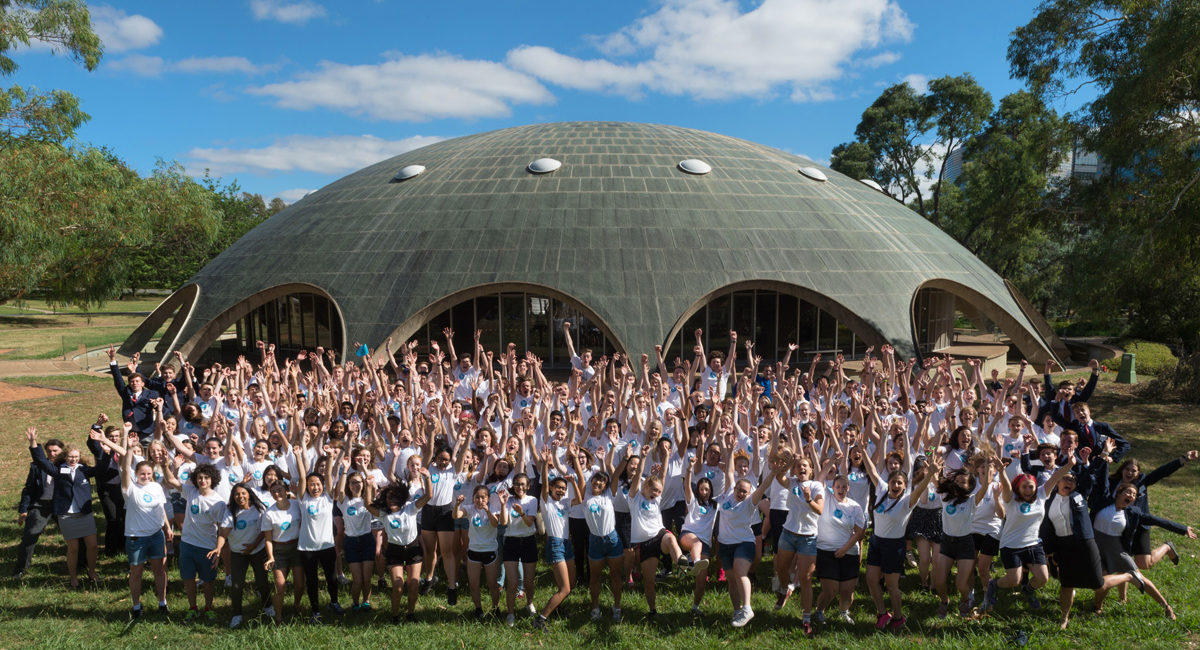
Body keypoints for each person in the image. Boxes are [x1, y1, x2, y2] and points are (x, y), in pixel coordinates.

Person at [981, 454, 1076, 613]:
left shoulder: (1041, 494)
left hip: (1033, 544)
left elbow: (1055, 476)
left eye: (1031, 486)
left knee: (1042, 578)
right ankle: (993, 585)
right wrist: (1002, 472)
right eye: (1024, 486)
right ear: (1017, 487)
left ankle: (1028, 590)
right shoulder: (1011, 499)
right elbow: (1006, 485)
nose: (1028, 490)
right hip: (1011, 545)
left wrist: (1069, 465)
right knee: (1014, 580)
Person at [860, 449, 941, 631]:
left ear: (905, 486)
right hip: (876, 542)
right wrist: (863, 449)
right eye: (893, 482)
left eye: (899, 483)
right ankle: (882, 613)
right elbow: (872, 471)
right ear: (888, 483)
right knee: (871, 580)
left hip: (894, 546)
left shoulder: (907, 501)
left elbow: (919, 489)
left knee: (891, 585)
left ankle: (898, 617)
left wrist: (930, 475)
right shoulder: (881, 490)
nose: (895, 485)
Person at [26, 425, 109, 589]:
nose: (73, 460)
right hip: (67, 515)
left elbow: (101, 469)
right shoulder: (58, 470)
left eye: (76, 457)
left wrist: (106, 453)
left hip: (84, 514)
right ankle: (73, 577)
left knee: (92, 545)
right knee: (73, 549)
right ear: (65, 457)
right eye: (71, 457)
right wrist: (33, 442)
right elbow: (41, 461)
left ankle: (92, 572)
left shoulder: (84, 470)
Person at [624, 447, 689, 620]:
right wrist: (643, 458)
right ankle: (652, 610)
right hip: (644, 544)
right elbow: (637, 478)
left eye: (659, 492)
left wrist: (666, 456)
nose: (657, 494)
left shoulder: (657, 499)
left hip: (659, 535)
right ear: (645, 487)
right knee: (649, 581)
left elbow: (663, 476)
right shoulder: (634, 498)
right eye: (654, 490)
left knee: (671, 538)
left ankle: (681, 564)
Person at [118, 423, 173, 619]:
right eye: (142, 474)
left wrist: (167, 527)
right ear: (136, 474)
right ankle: (135, 605)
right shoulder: (130, 489)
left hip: (156, 535)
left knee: (160, 570)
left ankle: (162, 602)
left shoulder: (156, 487)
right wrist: (126, 439)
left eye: (149, 474)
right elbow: (125, 468)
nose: (146, 476)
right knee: (136, 572)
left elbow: (161, 508)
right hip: (136, 537)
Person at [716, 454, 775, 628]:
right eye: (739, 489)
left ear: (749, 493)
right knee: (732, 579)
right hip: (725, 544)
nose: (741, 493)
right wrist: (729, 447)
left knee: (740, 573)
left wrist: (773, 473)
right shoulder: (727, 495)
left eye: (744, 491)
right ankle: (737, 611)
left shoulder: (750, 502)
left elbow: (764, 485)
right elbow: (729, 472)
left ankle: (747, 608)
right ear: (734, 488)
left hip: (744, 543)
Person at [366, 467, 432, 623]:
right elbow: (368, 504)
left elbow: (429, 495)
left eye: (394, 498)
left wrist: (427, 478)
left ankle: (410, 614)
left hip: (413, 549)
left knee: (414, 584)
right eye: (388, 498)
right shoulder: (384, 513)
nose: (390, 501)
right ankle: (395, 616)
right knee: (398, 585)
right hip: (394, 551)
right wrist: (368, 487)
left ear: (401, 498)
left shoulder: (411, 508)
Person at [932, 463, 995, 618]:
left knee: (961, 584)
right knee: (939, 582)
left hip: (965, 544)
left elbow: (986, 484)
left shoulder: (972, 501)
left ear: (969, 486)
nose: (959, 484)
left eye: (963, 482)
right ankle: (944, 600)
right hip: (947, 542)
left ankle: (965, 599)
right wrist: (932, 456)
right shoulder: (945, 497)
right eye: (957, 481)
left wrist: (988, 463)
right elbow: (934, 478)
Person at [772, 453, 824, 635]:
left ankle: (806, 618)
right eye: (798, 466)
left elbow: (820, 510)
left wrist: (809, 498)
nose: (802, 468)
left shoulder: (817, 486)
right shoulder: (792, 482)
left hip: (807, 538)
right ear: (795, 470)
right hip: (788, 533)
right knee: (781, 569)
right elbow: (779, 476)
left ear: (810, 470)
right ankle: (785, 590)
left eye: (805, 466)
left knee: (806, 579)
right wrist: (789, 462)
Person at [294, 445, 344, 622]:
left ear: (322, 485)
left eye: (317, 484)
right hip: (307, 547)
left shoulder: (328, 498)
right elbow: (301, 476)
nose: (315, 487)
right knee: (312, 580)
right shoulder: (303, 500)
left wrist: (330, 457)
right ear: (307, 487)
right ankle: (315, 610)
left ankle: (334, 602)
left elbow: (330, 476)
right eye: (311, 485)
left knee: (331, 578)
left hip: (327, 546)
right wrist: (299, 456)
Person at [174, 462, 226, 620]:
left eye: (206, 478)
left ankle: (209, 608)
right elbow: (172, 482)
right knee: (189, 578)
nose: (202, 480)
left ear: (213, 479)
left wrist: (218, 550)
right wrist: (164, 466)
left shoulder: (219, 502)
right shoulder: (191, 491)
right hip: (187, 544)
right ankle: (192, 607)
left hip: (207, 547)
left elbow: (222, 529)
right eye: (199, 478)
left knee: (209, 581)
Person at [216, 484, 272, 629]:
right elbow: (224, 533)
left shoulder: (260, 509)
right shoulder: (229, 511)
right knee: (236, 585)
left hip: (258, 551)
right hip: (238, 553)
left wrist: (253, 545)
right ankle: (237, 614)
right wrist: (218, 548)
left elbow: (264, 531)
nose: (240, 497)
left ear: (249, 494)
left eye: (243, 493)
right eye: (237, 494)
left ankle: (268, 606)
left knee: (262, 582)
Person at [813, 474, 866, 626]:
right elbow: (820, 478)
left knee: (847, 590)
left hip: (849, 552)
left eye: (844, 486)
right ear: (832, 488)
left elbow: (859, 532)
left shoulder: (855, 507)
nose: (841, 489)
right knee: (831, 590)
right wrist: (832, 461)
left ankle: (844, 612)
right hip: (826, 550)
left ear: (848, 488)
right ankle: (819, 611)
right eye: (838, 486)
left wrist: (844, 549)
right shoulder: (827, 499)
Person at [13, 434, 65, 580]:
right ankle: (21, 569)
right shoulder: (37, 467)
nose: (52, 454)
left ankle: (80, 564)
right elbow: (28, 489)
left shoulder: (68, 465)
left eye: (55, 450)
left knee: (74, 535)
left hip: (61, 505)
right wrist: (23, 509)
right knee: (29, 536)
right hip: (41, 505)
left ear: (62, 450)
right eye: (48, 451)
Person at [534, 453, 574, 630]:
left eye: (563, 488)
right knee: (565, 589)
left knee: (568, 585)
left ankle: (557, 608)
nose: (561, 490)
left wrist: (572, 482)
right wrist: (544, 465)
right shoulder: (546, 502)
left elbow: (579, 499)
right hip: (555, 544)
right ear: (550, 488)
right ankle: (541, 618)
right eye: (557, 487)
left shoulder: (564, 504)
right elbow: (543, 484)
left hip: (567, 544)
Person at [333, 452, 375, 612]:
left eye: (358, 482)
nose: (356, 485)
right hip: (351, 542)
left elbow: (372, 482)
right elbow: (340, 489)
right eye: (352, 483)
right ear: (348, 485)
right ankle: (356, 603)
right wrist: (345, 469)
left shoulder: (368, 501)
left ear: (363, 484)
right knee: (357, 580)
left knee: (367, 579)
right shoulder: (344, 502)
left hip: (367, 540)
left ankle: (366, 601)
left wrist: (364, 467)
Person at [455, 485, 503, 620]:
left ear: (488, 499)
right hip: (474, 551)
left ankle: (496, 607)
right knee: (474, 584)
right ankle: (478, 609)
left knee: (492, 584)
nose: (480, 500)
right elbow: (456, 516)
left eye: (483, 497)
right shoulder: (470, 508)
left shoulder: (493, 509)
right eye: (477, 497)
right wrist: (457, 504)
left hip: (490, 551)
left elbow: (495, 524)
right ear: (473, 498)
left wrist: (487, 511)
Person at [263, 481, 305, 624]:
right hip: (279, 550)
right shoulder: (269, 514)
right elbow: (268, 539)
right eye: (273, 491)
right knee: (280, 586)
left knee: (299, 584)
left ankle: (297, 604)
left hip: (296, 548)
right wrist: (270, 557)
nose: (277, 493)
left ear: (286, 491)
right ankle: (278, 616)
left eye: (280, 490)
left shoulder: (296, 505)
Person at [500, 473, 538, 626]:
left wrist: (522, 512)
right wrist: (503, 504)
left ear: (528, 486)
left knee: (528, 581)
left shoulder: (532, 500)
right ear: (513, 486)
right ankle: (510, 613)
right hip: (511, 542)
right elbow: (503, 523)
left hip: (528, 541)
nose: (519, 487)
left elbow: (529, 523)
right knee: (513, 582)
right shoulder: (508, 501)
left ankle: (529, 603)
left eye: (522, 484)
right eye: (516, 484)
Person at [679, 456, 716, 614]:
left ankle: (695, 607)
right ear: (698, 490)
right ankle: (693, 562)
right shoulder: (692, 501)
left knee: (701, 581)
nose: (704, 492)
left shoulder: (716, 505)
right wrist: (689, 469)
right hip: (688, 535)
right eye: (701, 489)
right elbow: (687, 485)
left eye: (707, 489)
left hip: (705, 543)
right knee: (697, 544)